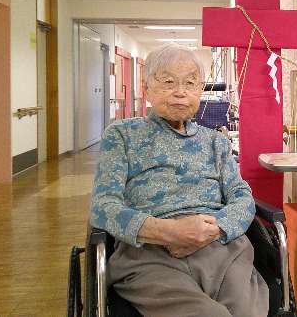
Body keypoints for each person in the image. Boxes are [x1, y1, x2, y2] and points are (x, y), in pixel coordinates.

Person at [90, 43, 268, 317]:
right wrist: (170, 232)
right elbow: (103, 207)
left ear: (200, 89)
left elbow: (242, 197)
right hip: (150, 253)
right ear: (146, 86)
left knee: (248, 312)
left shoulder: (216, 141)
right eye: (168, 82)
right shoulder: (122, 136)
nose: (180, 92)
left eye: (190, 83)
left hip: (219, 246)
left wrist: (215, 228)